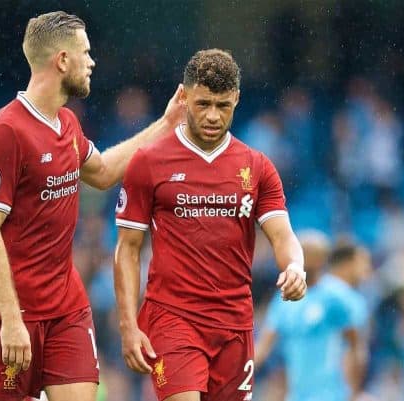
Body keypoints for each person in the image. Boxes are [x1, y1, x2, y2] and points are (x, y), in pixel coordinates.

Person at [0, 11, 184, 401]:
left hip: (66, 307)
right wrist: (12, 320)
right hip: (7, 315)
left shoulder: (66, 124)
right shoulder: (5, 133)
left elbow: (102, 172)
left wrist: (166, 124)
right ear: (62, 60)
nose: (92, 62)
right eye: (85, 53)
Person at [114, 49, 307, 401]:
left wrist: (295, 266)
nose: (213, 116)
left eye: (223, 105)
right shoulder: (148, 161)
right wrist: (128, 325)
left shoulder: (258, 166)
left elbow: (282, 234)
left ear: (236, 98)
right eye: (203, 104)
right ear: (183, 96)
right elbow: (127, 247)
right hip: (173, 319)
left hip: (234, 325)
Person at [256, 241, 371, 401]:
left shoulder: (337, 297)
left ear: (320, 260)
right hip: (297, 395)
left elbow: (355, 346)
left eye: (302, 255)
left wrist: (354, 391)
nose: (296, 260)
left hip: (333, 394)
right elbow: (262, 349)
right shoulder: (283, 299)